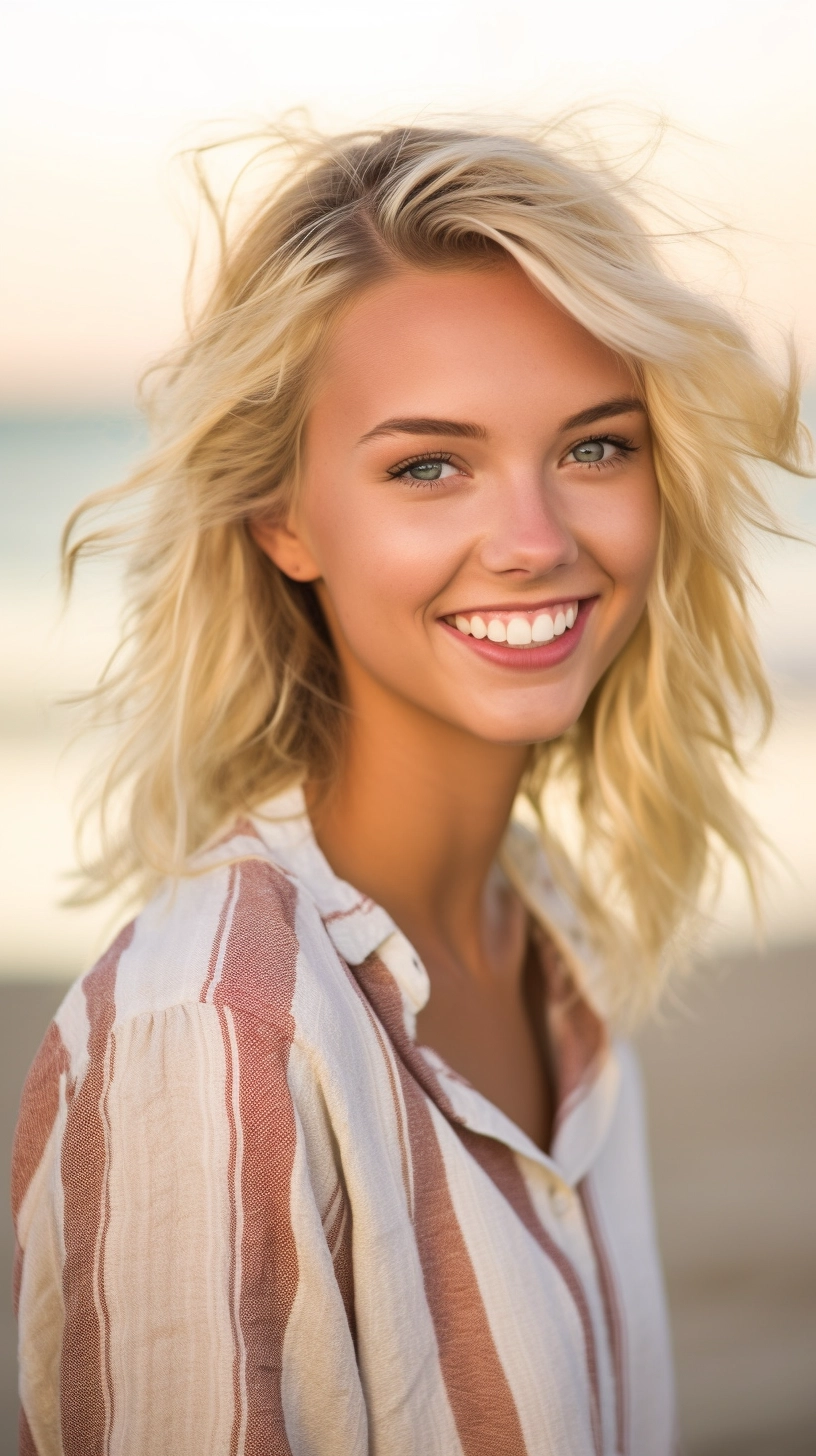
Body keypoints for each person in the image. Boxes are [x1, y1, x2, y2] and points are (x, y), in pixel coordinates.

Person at [11, 122, 808, 1456]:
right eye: (428, 465)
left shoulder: (546, 938)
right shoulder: (216, 1040)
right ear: (284, 519)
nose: (536, 541)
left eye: (597, 447)